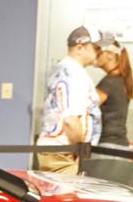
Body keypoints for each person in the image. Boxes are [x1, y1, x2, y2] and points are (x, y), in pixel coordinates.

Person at [37, 25, 102, 173]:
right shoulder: (75, 74)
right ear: (80, 47)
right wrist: (80, 151)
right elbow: (71, 120)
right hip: (63, 152)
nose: (100, 52)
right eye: (96, 47)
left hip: (56, 149)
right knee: (66, 195)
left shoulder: (64, 69)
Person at [94, 32, 133, 149]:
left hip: (107, 146)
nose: (94, 54)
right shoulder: (121, 81)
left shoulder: (108, 83)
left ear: (110, 54)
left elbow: (87, 108)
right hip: (120, 145)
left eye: (98, 50)